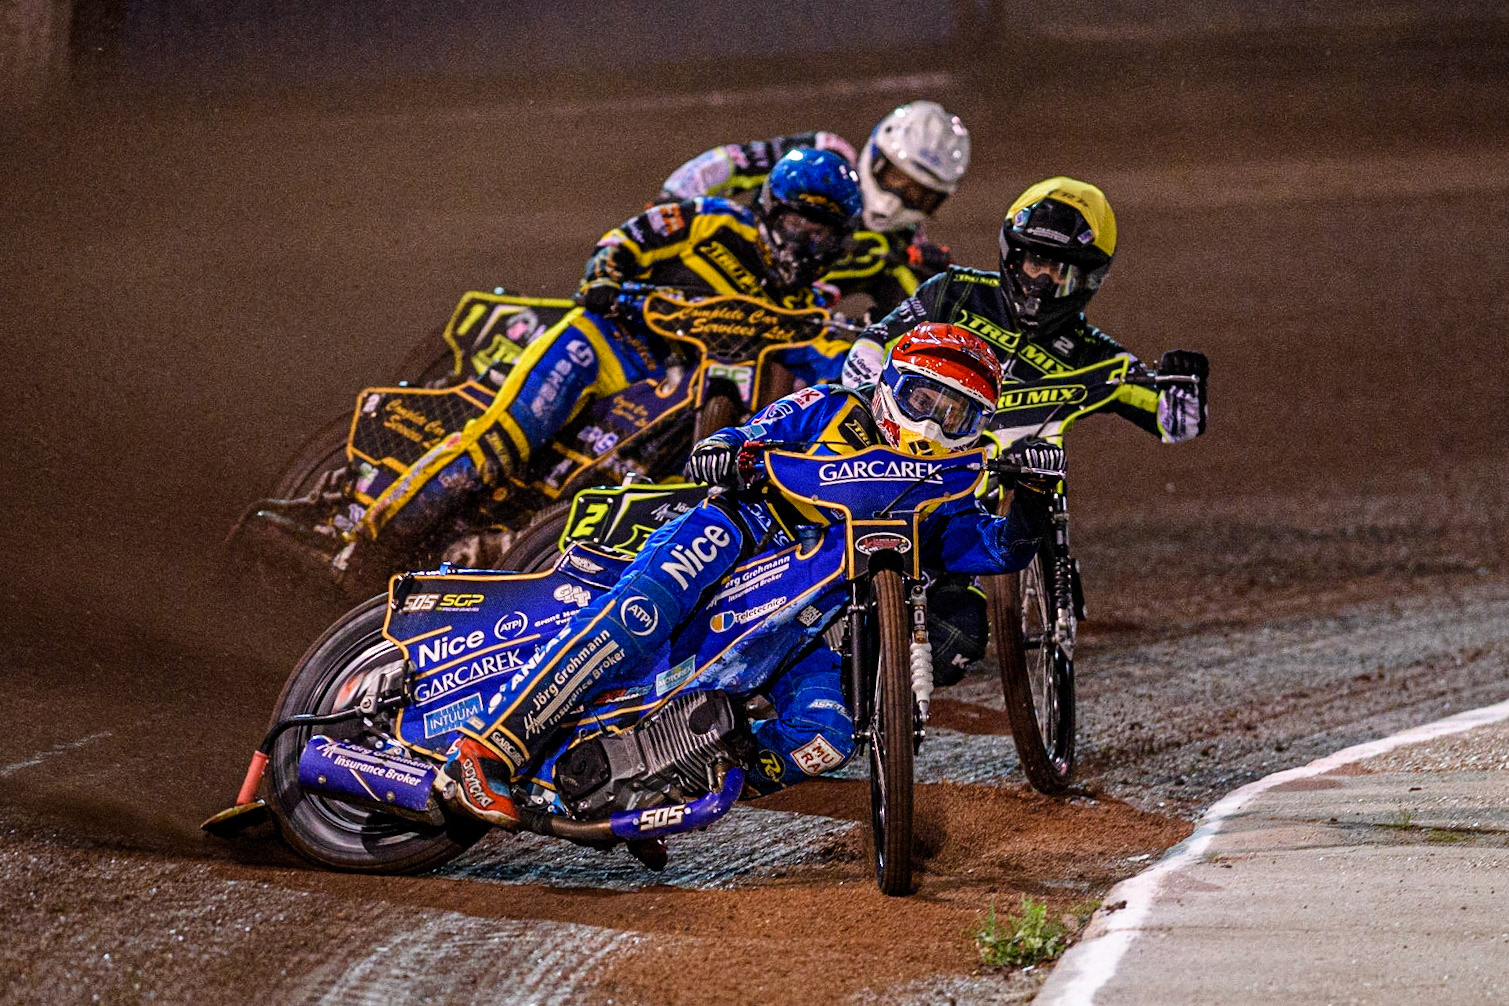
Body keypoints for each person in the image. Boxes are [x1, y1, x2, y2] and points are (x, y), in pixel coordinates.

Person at [434, 323, 1064, 828]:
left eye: (955, 416)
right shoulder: (829, 406)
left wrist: (1034, 494)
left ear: (978, 428)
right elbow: (748, 432)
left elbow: (1001, 548)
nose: (930, 425)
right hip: (737, 534)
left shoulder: (947, 492)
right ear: (890, 385)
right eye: (922, 400)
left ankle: (667, 775)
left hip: (808, 622)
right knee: (640, 615)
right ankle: (488, 748)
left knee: (826, 738)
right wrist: (724, 449)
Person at [335, 148, 864, 583]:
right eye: (798, 223)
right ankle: (367, 543)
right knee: (503, 439)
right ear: (770, 209)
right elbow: (629, 237)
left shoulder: (807, 310)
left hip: (678, 396)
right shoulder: (713, 220)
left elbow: (830, 363)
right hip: (608, 345)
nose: (806, 242)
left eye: (822, 234)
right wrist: (605, 276)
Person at [841, 176, 1211, 681]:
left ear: (1087, 279)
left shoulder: (1095, 356)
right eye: (1034, 262)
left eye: (1058, 270)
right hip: (900, 472)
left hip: (982, 507)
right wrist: (870, 392)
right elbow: (874, 341)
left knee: (955, 643)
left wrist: (1188, 383)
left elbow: (1177, 422)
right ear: (1010, 255)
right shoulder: (953, 292)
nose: (1039, 282)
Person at [656, 101, 972, 316]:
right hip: (712, 275)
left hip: (783, 328)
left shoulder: (906, 250)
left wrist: (939, 295)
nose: (897, 199)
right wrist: (669, 205)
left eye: (920, 195)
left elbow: (919, 323)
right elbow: (731, 162)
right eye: (897, 179)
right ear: (876, 155)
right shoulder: (821, 156)